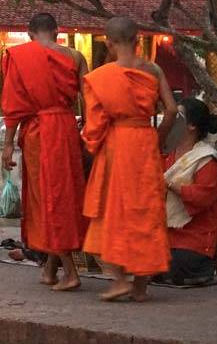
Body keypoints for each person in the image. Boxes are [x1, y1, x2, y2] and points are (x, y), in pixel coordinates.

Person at [81, 17, 177, 302]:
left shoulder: (102, 77)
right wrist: (157, 139)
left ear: (109, 43)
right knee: (146, 210)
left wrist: (91, 145)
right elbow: (172, 110)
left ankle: (120, 279)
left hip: (118, 144)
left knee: (114, 210)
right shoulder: (153, 69)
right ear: (138, 40)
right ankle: (140, 288)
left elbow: (95, 124)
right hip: (145, 141)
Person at [0, 12, 89, 291]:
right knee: (63, 197)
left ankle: (71, 273)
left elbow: (13, 105)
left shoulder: (20, 56)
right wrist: (88, 131)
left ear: (29, 34)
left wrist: (7, 144)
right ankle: (51, 268)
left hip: (39, 133)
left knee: (49, 200)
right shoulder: (75, 57)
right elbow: (89, 99)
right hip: (66, 129)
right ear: (57, 31)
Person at [159, 97, 217, 285]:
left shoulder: (206, 159)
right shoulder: (167, 154)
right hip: (165, 236)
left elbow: (202, 199)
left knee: (174, 266)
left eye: (178, 116)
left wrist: (168, 183)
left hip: (195, 238)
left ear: (191, 126)